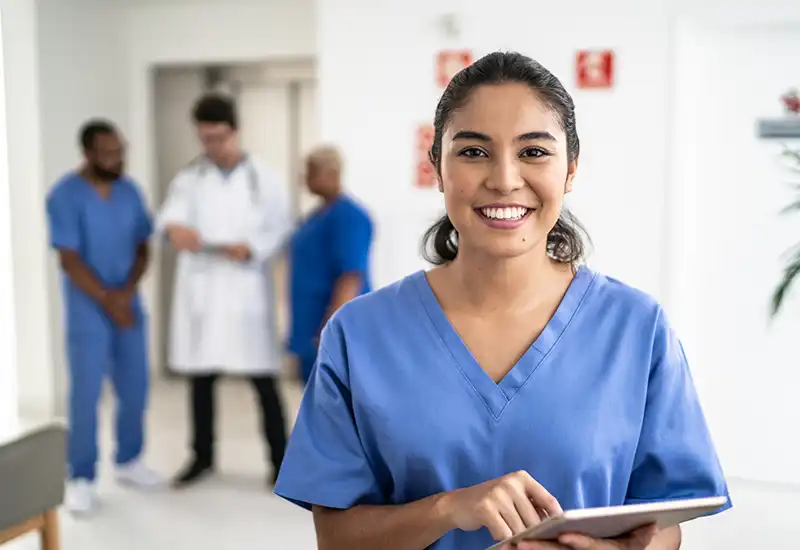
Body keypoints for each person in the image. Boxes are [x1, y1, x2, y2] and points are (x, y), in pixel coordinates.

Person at [273, 52, 731, 549]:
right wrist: (451, 507)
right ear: (437, 169)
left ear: (571, 170)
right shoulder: (359, 334)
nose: (505, 178)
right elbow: (337, 539)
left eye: (534, 151)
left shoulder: (637, 328)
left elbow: (663, 525)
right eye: (473, 152)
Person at [156, 93, 292, 488]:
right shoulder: (189, 179)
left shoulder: (262, 177)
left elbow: (279, 225)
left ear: (235, 132)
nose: (212, 146)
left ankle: (281, 464)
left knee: (263, 382)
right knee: (201, 379)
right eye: (205, 139)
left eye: (218, 137)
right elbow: (169, 220)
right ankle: (201, 457)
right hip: (203, 291)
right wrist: (173, 230)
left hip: (245, 288)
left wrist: (252, 247)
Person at [46, 119, 164, 515]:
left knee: (135, 386)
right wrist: (106, 298)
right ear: (88, 154)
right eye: (108, 152)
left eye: (120, 150)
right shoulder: (64, 195)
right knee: (86, 392)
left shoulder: (130, 191)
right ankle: (81, 476)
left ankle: (129, 460)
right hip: (88, 308)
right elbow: (69, 258)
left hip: (126, 304)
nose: (117, 158)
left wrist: (126, 292)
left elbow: (143, 246)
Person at [288, 146, 374, 385]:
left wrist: (331, 330)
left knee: (338, 406)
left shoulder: (349, 216)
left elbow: (351, 276)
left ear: (330, 174)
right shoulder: (316, 216)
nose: (304, 179)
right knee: (316, 405)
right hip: (310, 323)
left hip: (332, 329)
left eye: (310, 172)